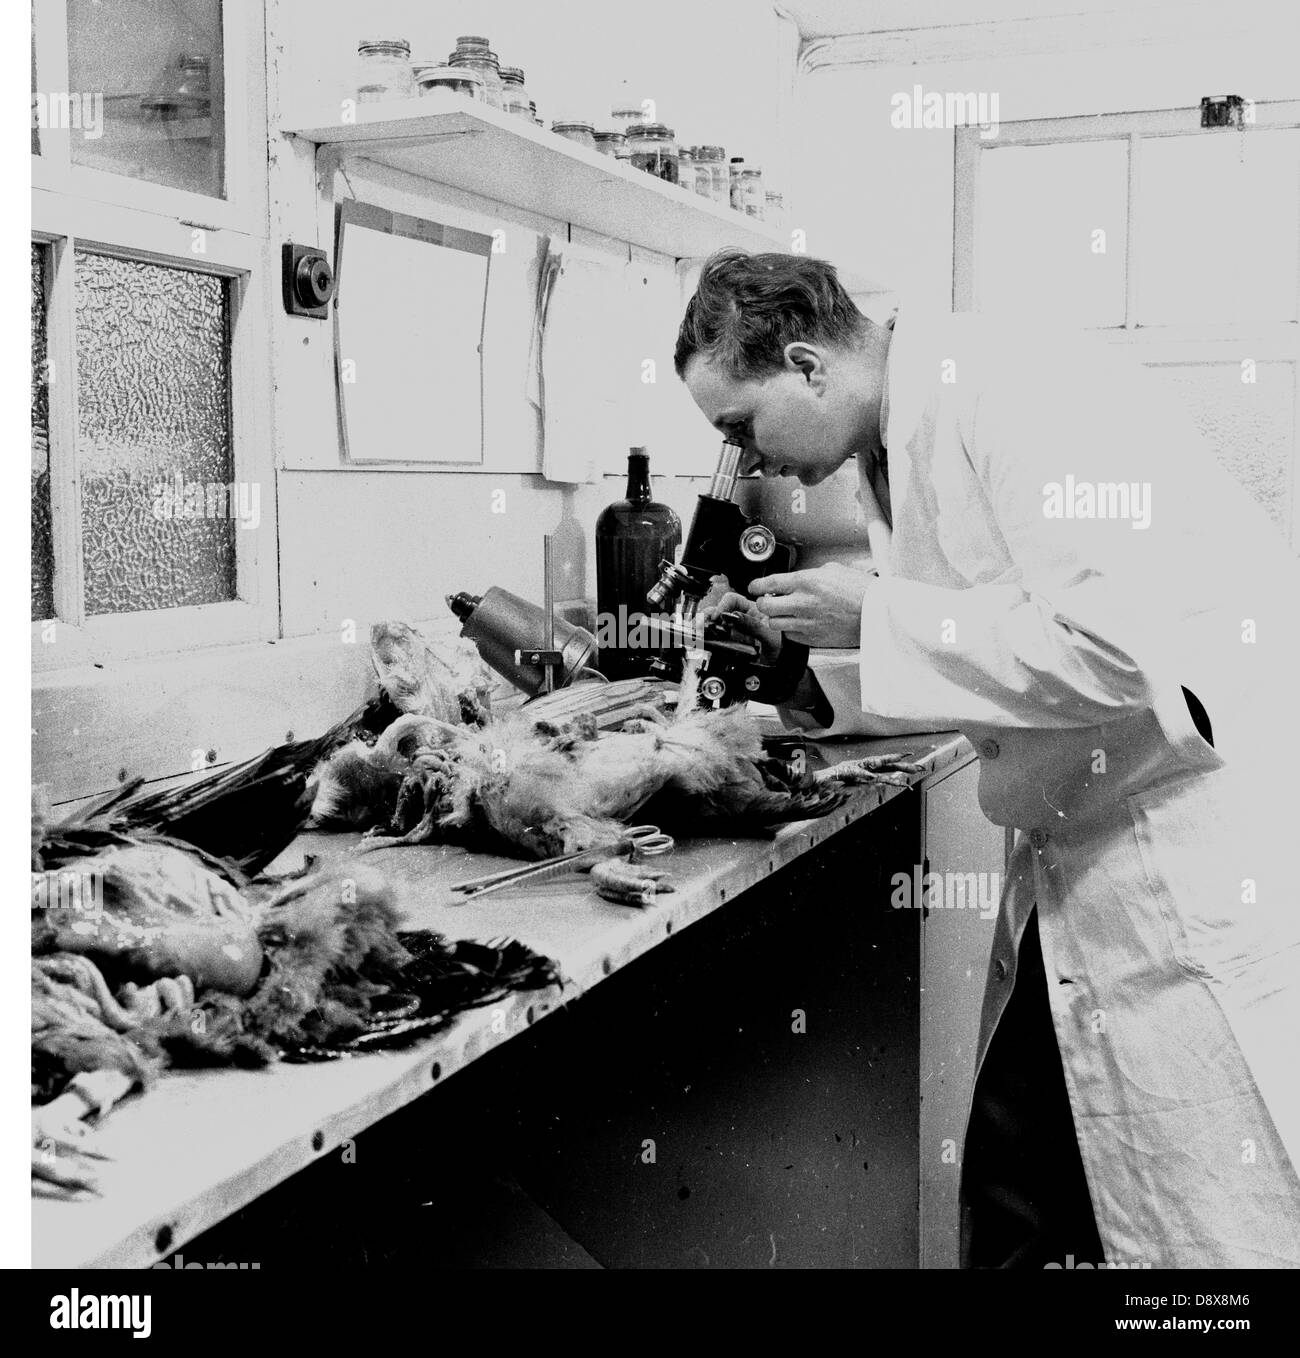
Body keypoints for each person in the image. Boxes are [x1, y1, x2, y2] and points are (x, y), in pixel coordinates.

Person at [675, 248, 1300, 1269]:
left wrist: (875, 610)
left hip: (1177, 850)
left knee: (1203, 1214)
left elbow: (1107, 653)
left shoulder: (1009, 388)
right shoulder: (904, 430)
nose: (747, 461)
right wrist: (804, 682)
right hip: (1087, 835)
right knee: (1026, 1186)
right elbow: (987, 659)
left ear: (806, 362)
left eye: (741, 426)